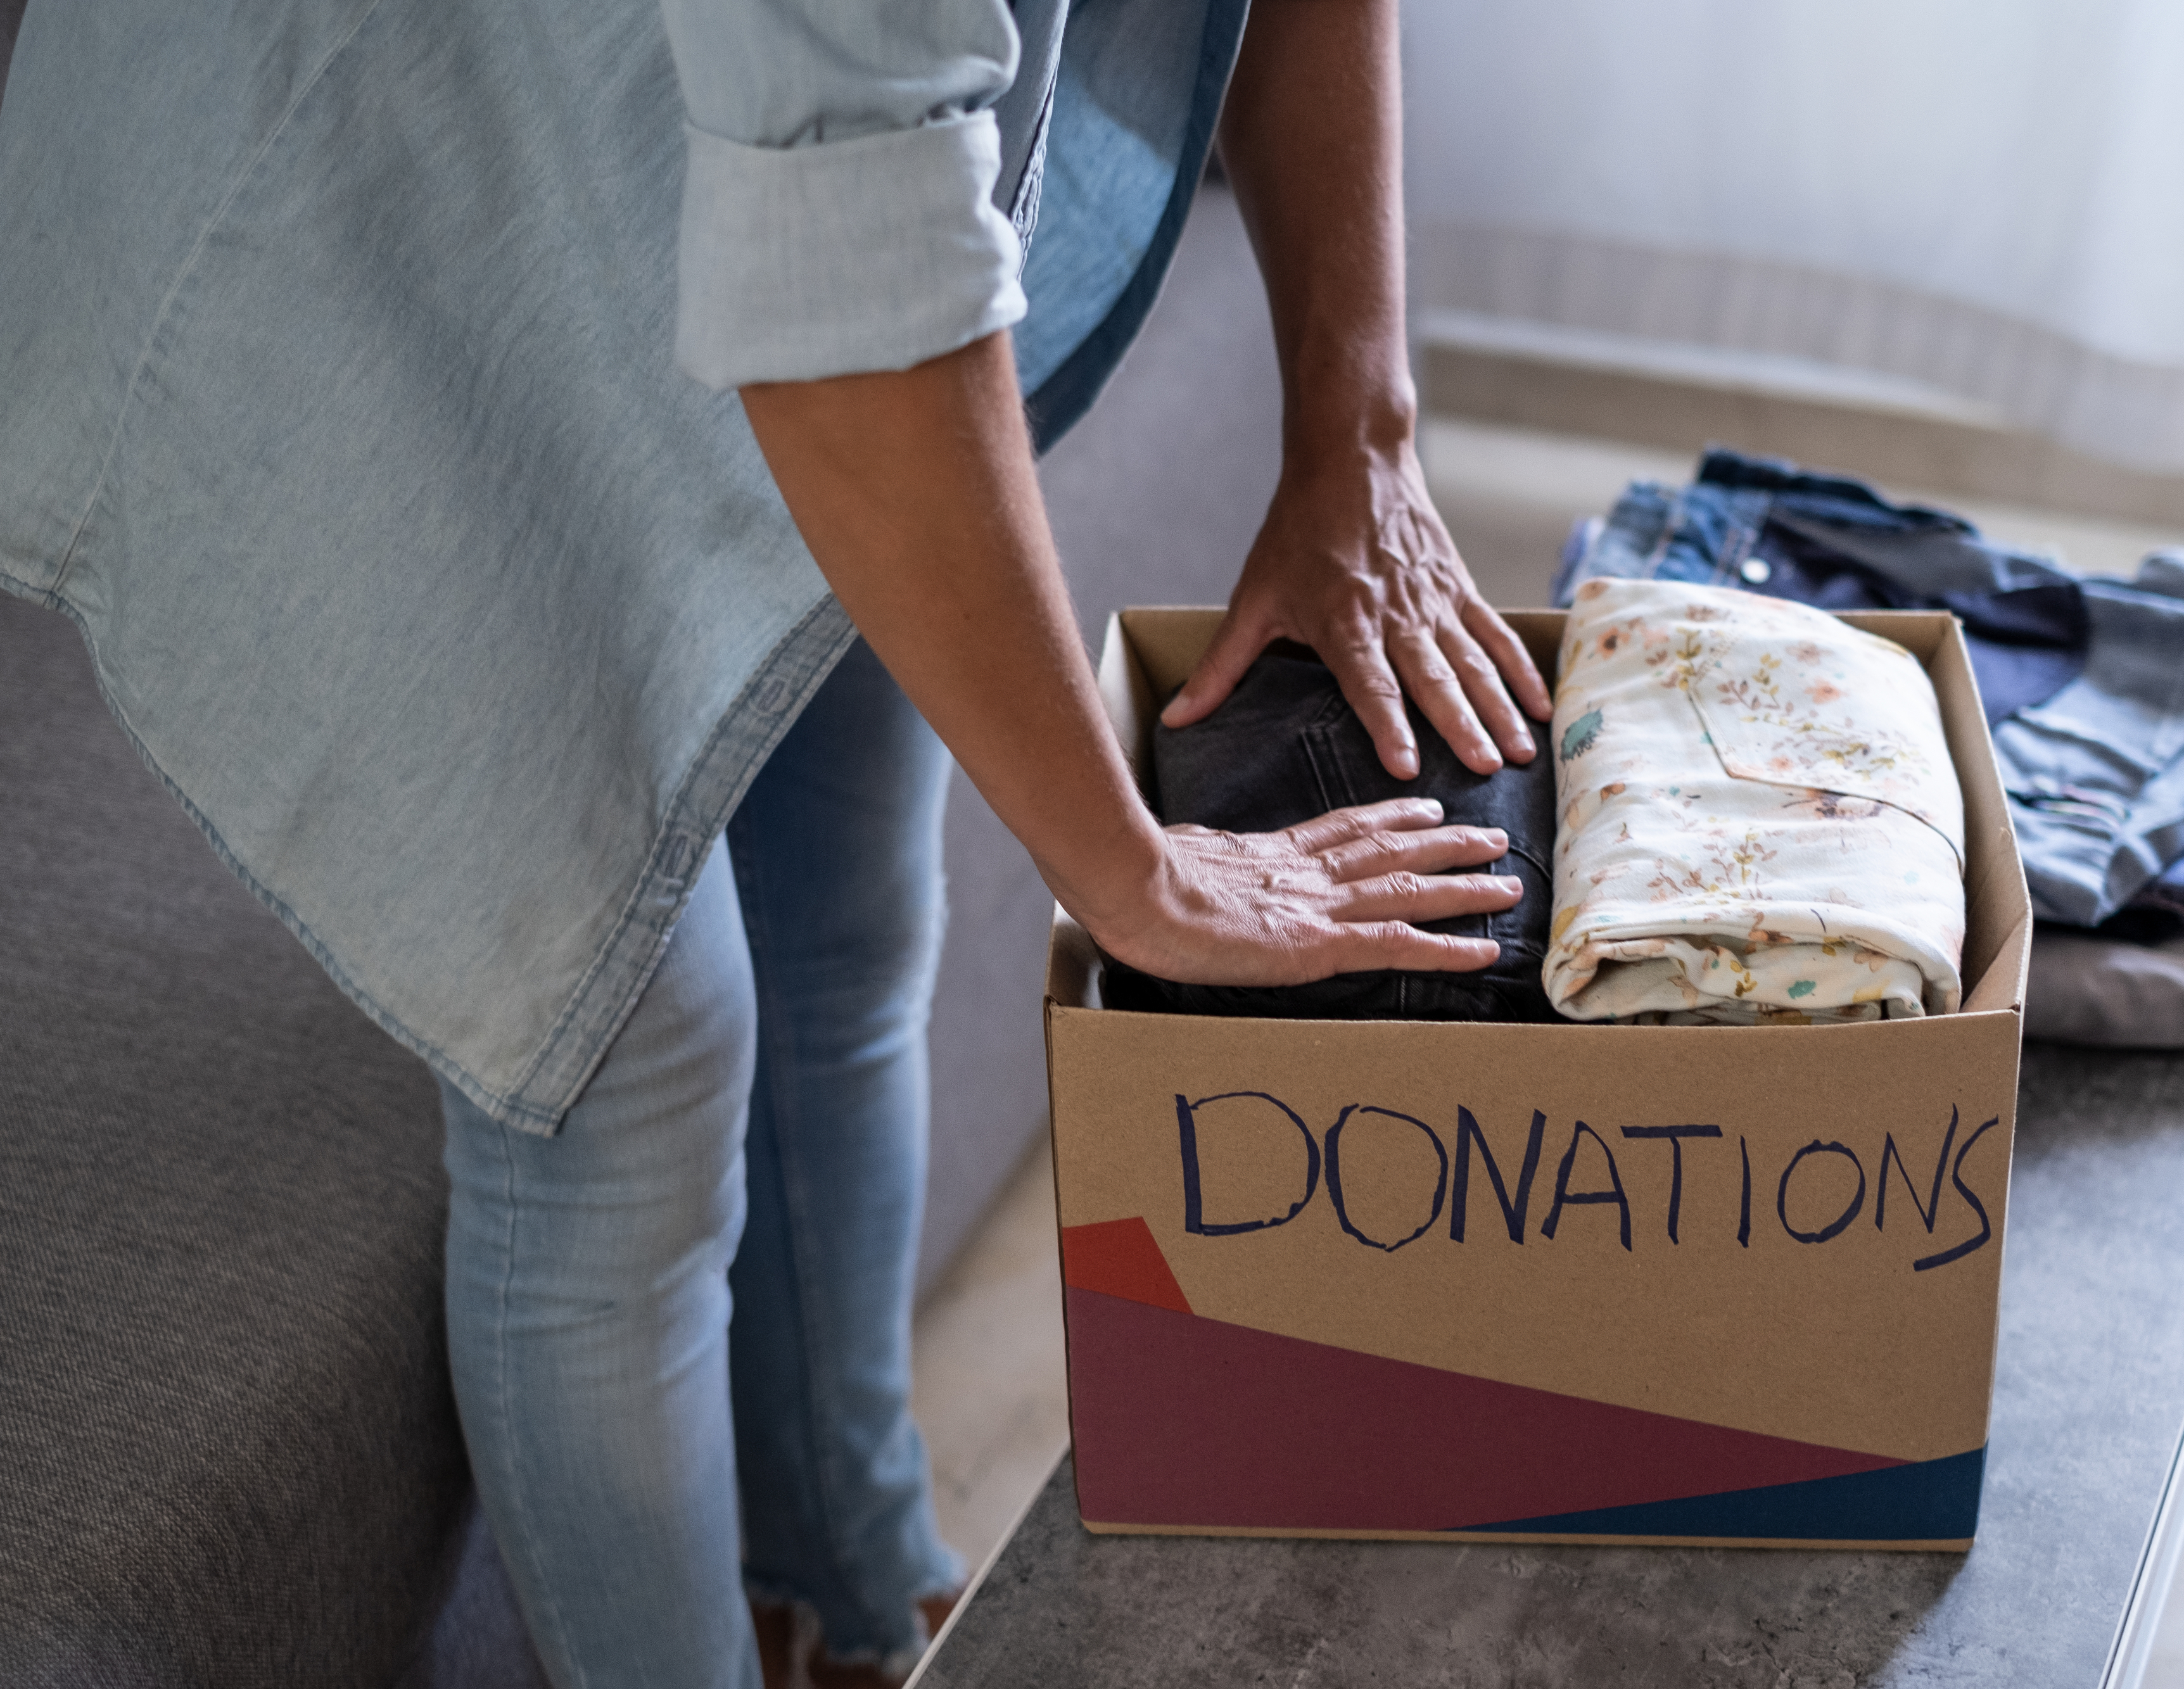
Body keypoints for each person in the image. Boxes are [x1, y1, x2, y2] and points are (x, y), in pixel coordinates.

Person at [0, 0, 1546, 1683]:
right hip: (355, 214)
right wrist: (1138, 872)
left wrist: (1361, 428)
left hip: (697, 143)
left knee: (854, 898)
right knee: (628, 1064)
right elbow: (859, 294)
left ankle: (849, 1604)